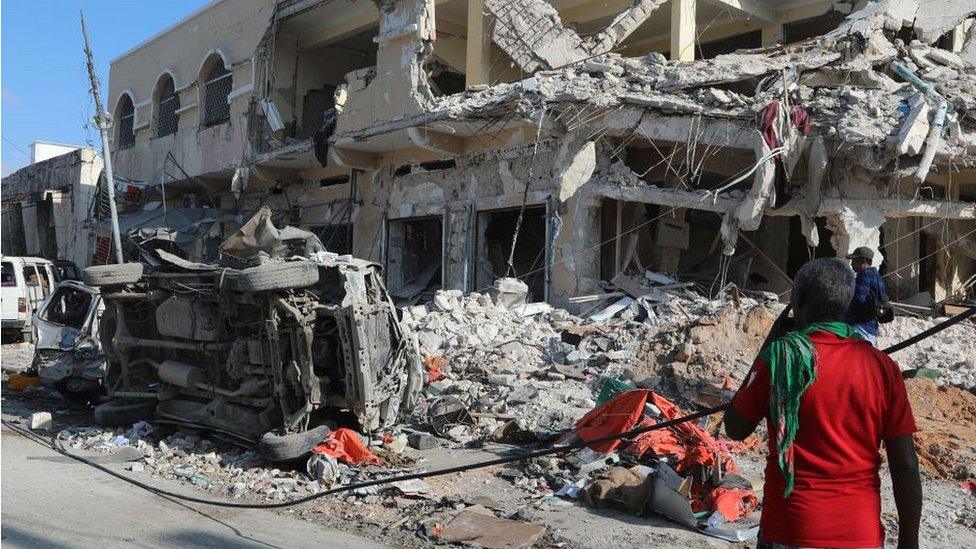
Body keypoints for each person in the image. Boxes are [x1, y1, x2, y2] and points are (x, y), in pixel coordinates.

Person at [723, 258, 921, 549]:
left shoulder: (780, 357)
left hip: (789, 530)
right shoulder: (883, 368)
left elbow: (735, 427)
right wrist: (909, 542)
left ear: (798, 300)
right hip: (859, 534)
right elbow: (904, 465)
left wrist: (768, 346)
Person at [844, 246, 888, 346]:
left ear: (862, 261)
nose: (851, 264)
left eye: (854, 260)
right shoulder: (877, 276)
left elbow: (858, 300)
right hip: (871, 327)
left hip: (859, 327)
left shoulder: (864, 275)